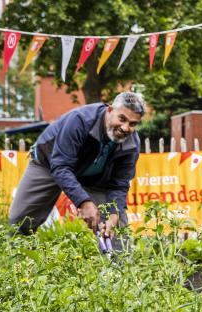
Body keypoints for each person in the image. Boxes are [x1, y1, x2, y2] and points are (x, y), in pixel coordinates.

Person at [8, 92, 145, 238]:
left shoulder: (131, 145)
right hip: (50, 162)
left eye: (132, 124)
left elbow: (119, 184)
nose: (125, 128)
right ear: (110, 110)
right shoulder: (80, 120)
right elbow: (60, 167)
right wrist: (84, 202)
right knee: (20, 220)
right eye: (122, 119)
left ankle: (118, 260)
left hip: (94, 176)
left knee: (117, 225)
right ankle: (16, 255)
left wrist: (113, 214)